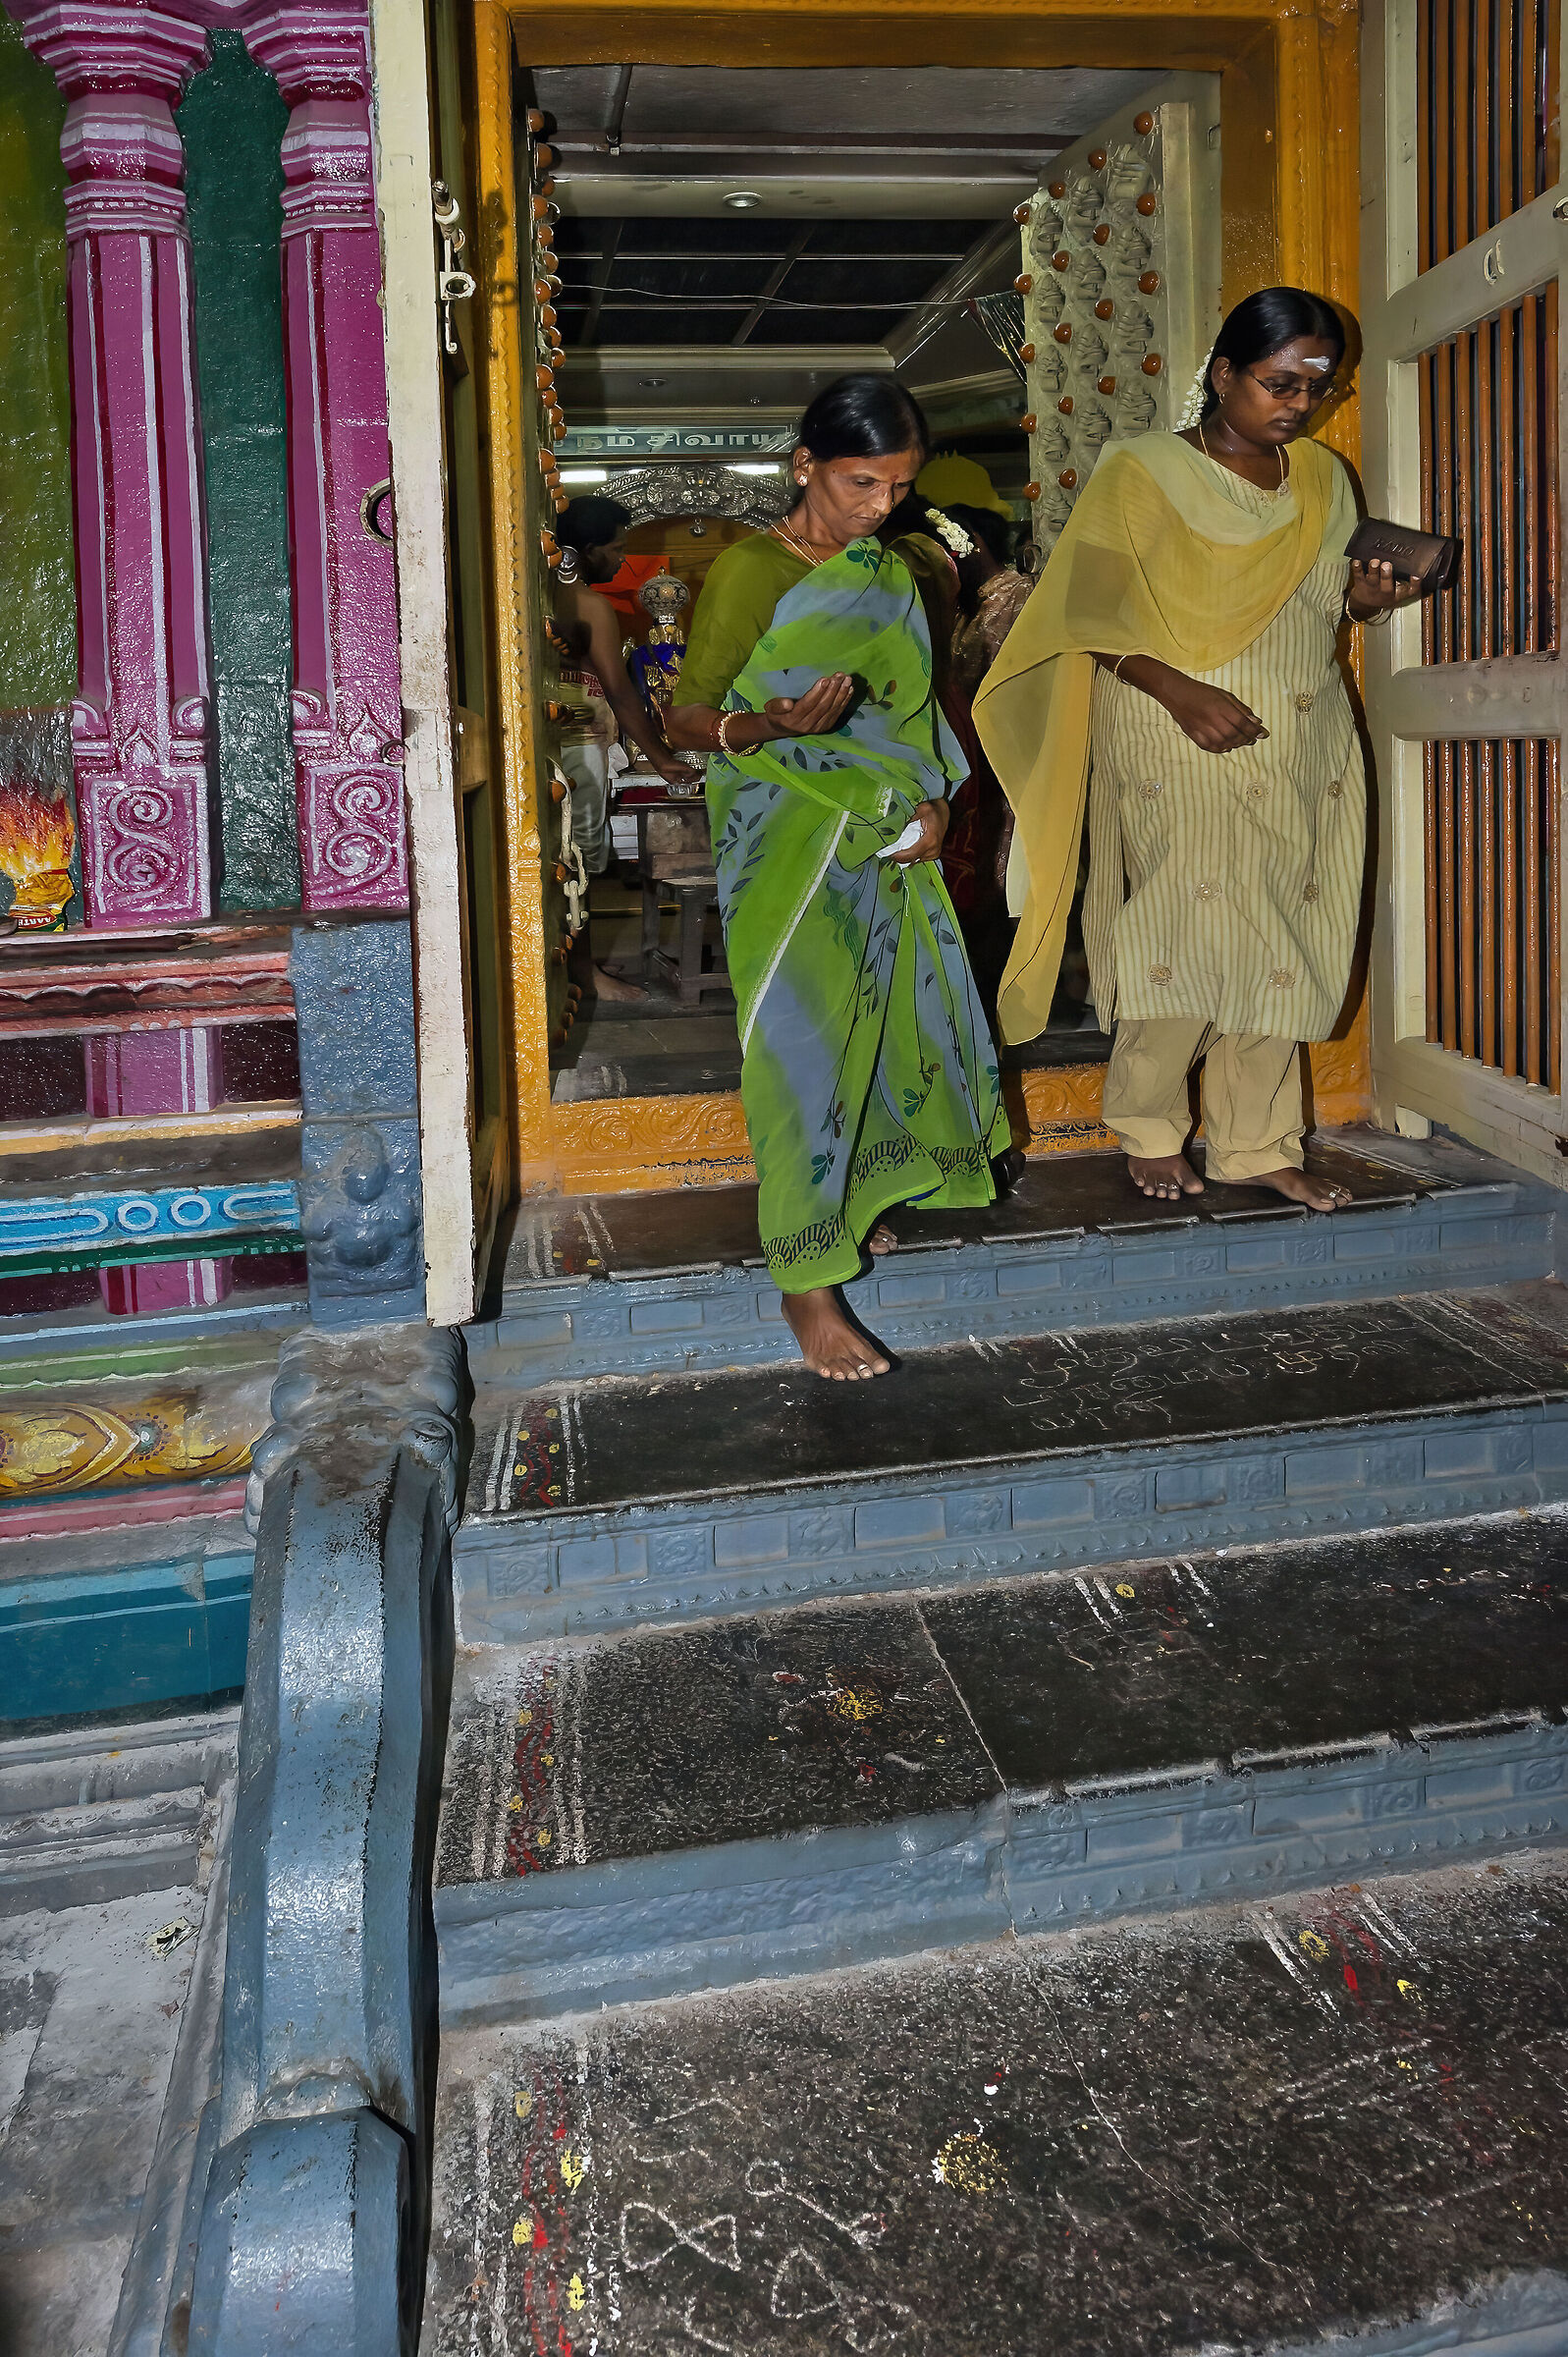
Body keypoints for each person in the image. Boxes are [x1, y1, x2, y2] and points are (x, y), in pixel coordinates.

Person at [975, 287, 1417, 1210]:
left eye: (1314, 387)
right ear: (1221, 375)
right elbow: (1084, 613)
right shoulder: (1140, 469)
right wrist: (1178, 691)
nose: (1295, 404)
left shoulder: (1325, 479)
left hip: (1303, 733)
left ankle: (1256, 1143)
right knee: (1179, 920)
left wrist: (1368, 601)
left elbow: (1320, 601)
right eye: (1275, 382)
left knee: (1285, 927)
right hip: (1174, 725)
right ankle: (1147, 1123)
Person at [667, 374, 1012, 1381]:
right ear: (804, 465)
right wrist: (766, 725)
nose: (879, 505)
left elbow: (919, 716)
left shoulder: (890, 574)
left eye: (897, 487)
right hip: (784, 843)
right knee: (797, 1055)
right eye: (861, 481)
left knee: (885, 1030)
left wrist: (940, 801)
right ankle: (804, 1283)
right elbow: (689, 720)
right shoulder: (747, 574)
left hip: (885, 840)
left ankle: (850, 1200)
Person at [552, 495, 691, 1000]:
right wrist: (662, 759)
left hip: (538, 752)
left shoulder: (528, 593)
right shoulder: (589, 606)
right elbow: (621, 692)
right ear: (586, 549)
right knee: (578, 867)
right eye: (615, 549)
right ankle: (585, 973)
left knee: (551, 864)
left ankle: (566, 971)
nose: (620, 560)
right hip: (578, 750)